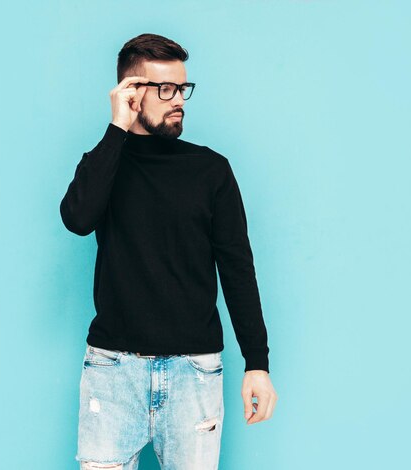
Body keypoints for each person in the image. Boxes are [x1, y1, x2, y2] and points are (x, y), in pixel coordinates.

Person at [60, 33, 278, 470]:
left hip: (193, 375)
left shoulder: (210, 170)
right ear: (131, 94)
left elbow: (238, 269)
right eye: (165, 89)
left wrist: (257, 362)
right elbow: (77, 218)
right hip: (113, 372)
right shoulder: (104, 163)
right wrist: (116, 128)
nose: (178, 99)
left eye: (182, 88)